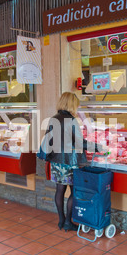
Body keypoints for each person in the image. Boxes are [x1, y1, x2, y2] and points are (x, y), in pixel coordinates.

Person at [40, 92, 102, 231]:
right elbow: (80, 143)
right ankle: (68, 222)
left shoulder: (53, 119)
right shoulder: (72, 120)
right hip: (70, 161)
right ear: (72, 104)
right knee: (74, 191)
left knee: (59, 190)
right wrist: (97, 147)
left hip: (56, 160)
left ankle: (61, 221)